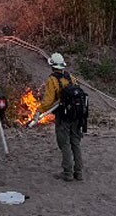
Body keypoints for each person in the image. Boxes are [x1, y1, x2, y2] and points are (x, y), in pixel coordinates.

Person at [30, 52, 85, 181]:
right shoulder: (71, 77)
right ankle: (79, 172)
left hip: (63, 116)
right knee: (75, 143)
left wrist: (38, 111)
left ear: (52, 66)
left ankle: (68, 173)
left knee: (64, 143)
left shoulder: (52, 80)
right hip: (77, 115)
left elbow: (48, 101)